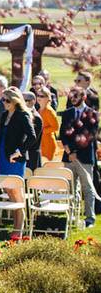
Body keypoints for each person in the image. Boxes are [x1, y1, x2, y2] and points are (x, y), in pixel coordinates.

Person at [0, 87, 37, 235]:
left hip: (15, 158)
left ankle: (19, 229)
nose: (4, 102)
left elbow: (32, 137)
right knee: (8, 190)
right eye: (2, 100)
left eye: (7, 100)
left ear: (15, 100)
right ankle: (16, 227)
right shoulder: (4, 115)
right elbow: (3, 136)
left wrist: (20, 151)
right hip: (4, 156)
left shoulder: (23, 115)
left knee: (17, 193)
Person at [60, 86, 100, 227]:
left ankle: (90, 218)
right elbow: (63, 135)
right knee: (71, 188)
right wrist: (70, 152)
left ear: (83, 97)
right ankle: (72, 215)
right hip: (69, 157)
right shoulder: (67, 113)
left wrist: (75, 152)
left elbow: (89, 136)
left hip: (85, 158)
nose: (73, 99)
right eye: (71, 96)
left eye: (75, 96)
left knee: (87, 188)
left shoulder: (93, 114)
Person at [36, 86, 60, 162]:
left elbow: (56, 127)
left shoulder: (49, 111)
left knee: (47, 166)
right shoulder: (39, 109)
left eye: (42, 96)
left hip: (48, 143)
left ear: (48, 98)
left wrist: (42, 131)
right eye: (38, 95)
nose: (39, 97)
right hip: (41, 143)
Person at [23, 91, 44, 171]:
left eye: (25, 100)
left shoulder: (36, 117)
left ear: (33, 101)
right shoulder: (23, 114)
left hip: (32, 157)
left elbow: (33, 139)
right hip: (24, 155)